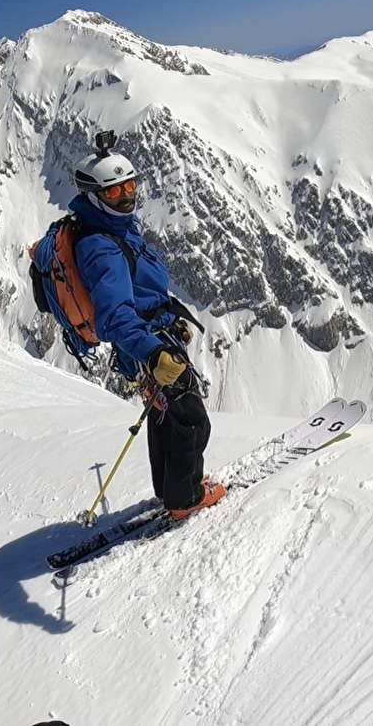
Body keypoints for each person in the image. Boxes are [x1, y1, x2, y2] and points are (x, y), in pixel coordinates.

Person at [64, 133, 224, 520]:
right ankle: (185, 498)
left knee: (164, 411)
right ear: (93, 195)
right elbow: (114, 316)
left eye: (130, 185)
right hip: (144, 344)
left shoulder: (114, 226)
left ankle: (169, 488)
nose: (126, 196)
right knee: (190, 417)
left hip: (151, 335)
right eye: (114, 191)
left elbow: (139, 288)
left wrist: (168, 323)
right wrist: (153, 352)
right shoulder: (102, 247)